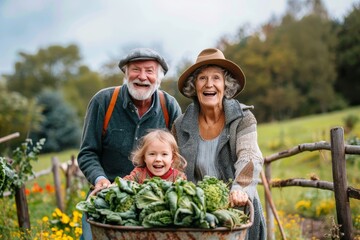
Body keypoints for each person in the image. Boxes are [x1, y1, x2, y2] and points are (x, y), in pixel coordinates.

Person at [78, 48, 182, 240]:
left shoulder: (169, 106)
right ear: (126, 74)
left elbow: (179, 154)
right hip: (108, 196)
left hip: (154, 201)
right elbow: (88, 153)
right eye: (135, 69)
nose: (142, 77)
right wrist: (100, 179)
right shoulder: (104, 102)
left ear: (158, 78)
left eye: (149, 71)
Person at [172, 48, 266, 239]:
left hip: (237, 209)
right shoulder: (180, 125)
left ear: (226, 85)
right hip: (198, 215)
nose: (209, 84)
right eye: (202, 78)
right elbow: (175, 167)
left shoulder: (243, 118)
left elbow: (250, 157)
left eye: (216, 78)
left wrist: (240, 189)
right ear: (194, 85)